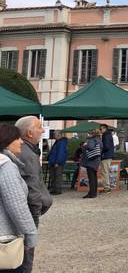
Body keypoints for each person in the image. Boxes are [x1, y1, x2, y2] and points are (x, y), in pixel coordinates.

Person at [15, 116, 52, 273]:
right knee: (26, 253)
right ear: (29, 133)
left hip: (27, 210)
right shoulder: (27, 154)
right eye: (39, 127)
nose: (43, 130)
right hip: (29, 212)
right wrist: (36, 211)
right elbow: (32, 187)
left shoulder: (26, 151)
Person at [0, 124, 37, 272]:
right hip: (5, 240)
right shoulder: (5, 166)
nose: (21, 142)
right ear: (7, 141)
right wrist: (30, 234)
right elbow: (17, 206)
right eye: (17, 138)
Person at [80, 129, 102, 199]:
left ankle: (91, 193)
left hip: (91, 160)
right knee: (94, 177)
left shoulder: (92, 140)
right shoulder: (99, 140)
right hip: (96, 160)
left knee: (91, 178)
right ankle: (93, 192)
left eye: (90, 133)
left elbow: (90, 147)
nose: (89, 135)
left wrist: (85, 145)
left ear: (92, 134)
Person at [47, 130, 68, 195]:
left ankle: (57, 190)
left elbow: (61, 153)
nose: (53, 135)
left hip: (57, 162)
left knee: (57, 176)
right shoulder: (58, 141)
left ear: (59, 134)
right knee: (53, 176)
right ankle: (54, 189)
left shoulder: (61, 142)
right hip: (53, 162)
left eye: (54, 134)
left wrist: (57, 162)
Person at [99, 124, 115, 194]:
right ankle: (107, 187)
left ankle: (107, 188)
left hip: (106, 156)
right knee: (106, 172)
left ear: (104, 128)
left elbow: (106, 146)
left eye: (100, 129)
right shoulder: (108, 135)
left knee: (104, 172)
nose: (100, 130)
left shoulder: (106, 135)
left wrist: (101, 151)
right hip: (108, 155)